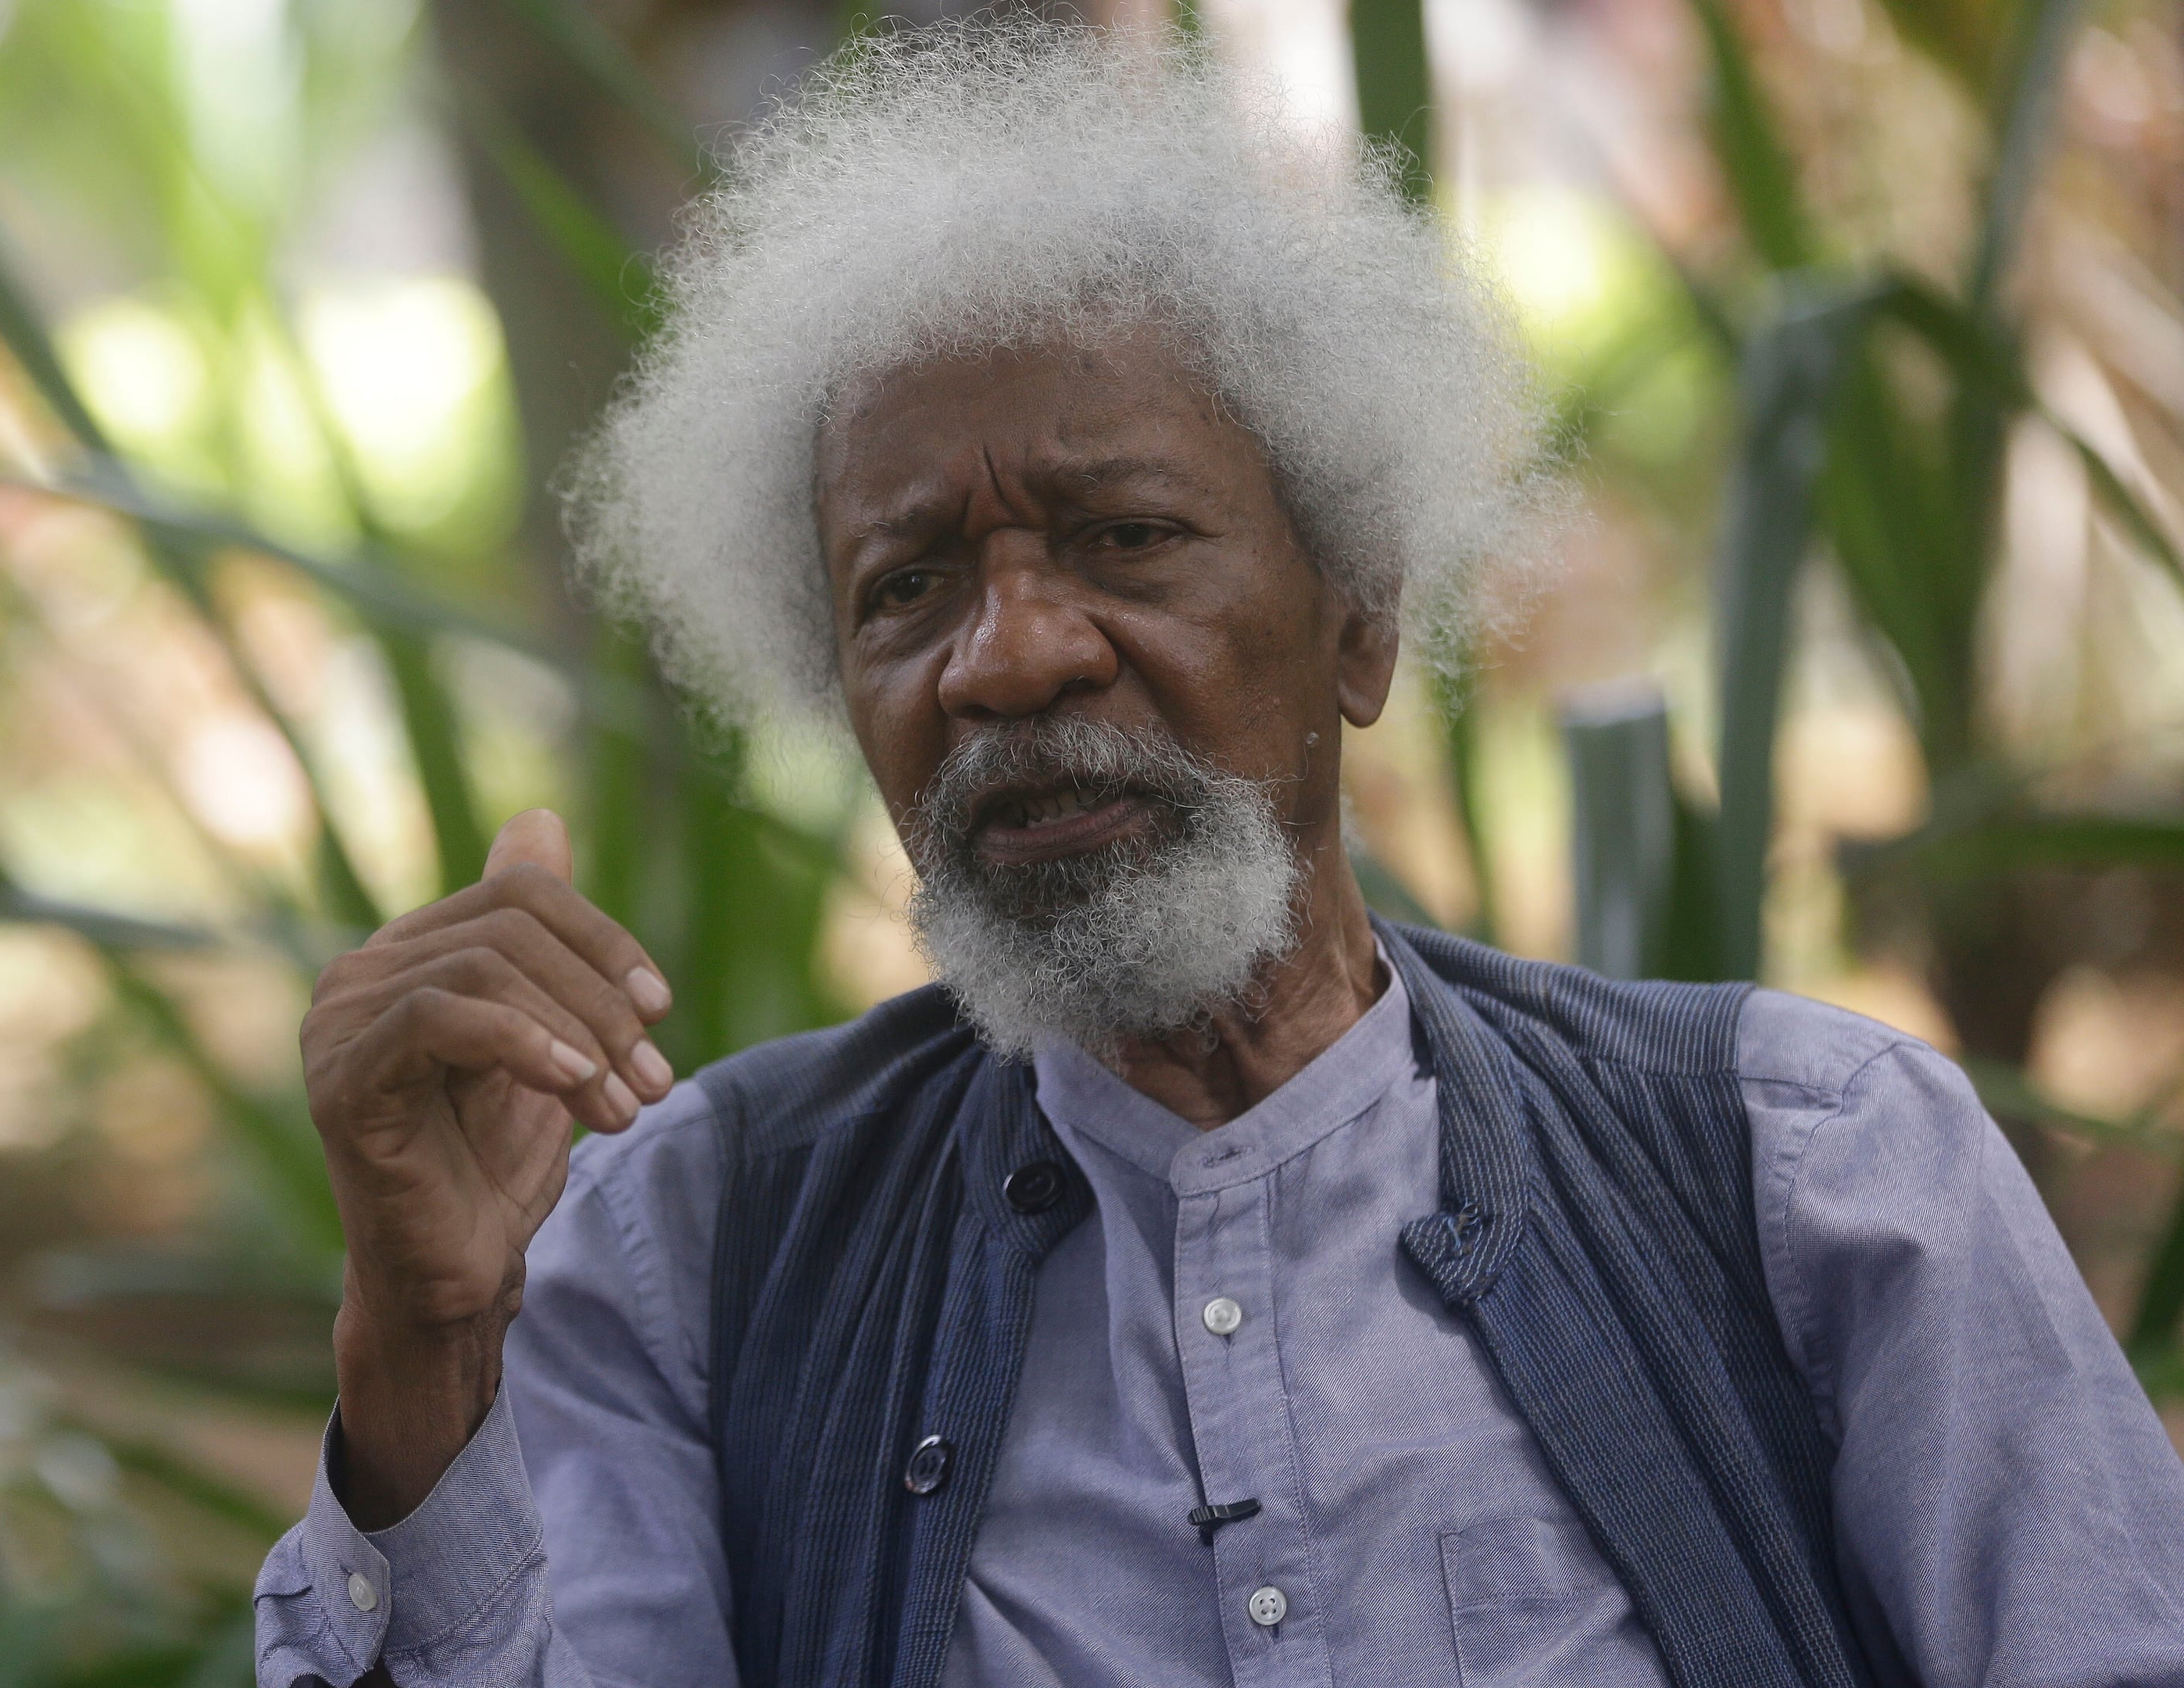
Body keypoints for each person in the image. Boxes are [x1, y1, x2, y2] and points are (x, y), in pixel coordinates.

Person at [254, 22, 2184, 1688]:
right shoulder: (696, 1249)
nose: (1009, 655)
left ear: (1358, 621)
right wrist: (423, 1351)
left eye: (1126, 537)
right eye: (906, 586)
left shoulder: (1812, 1172)